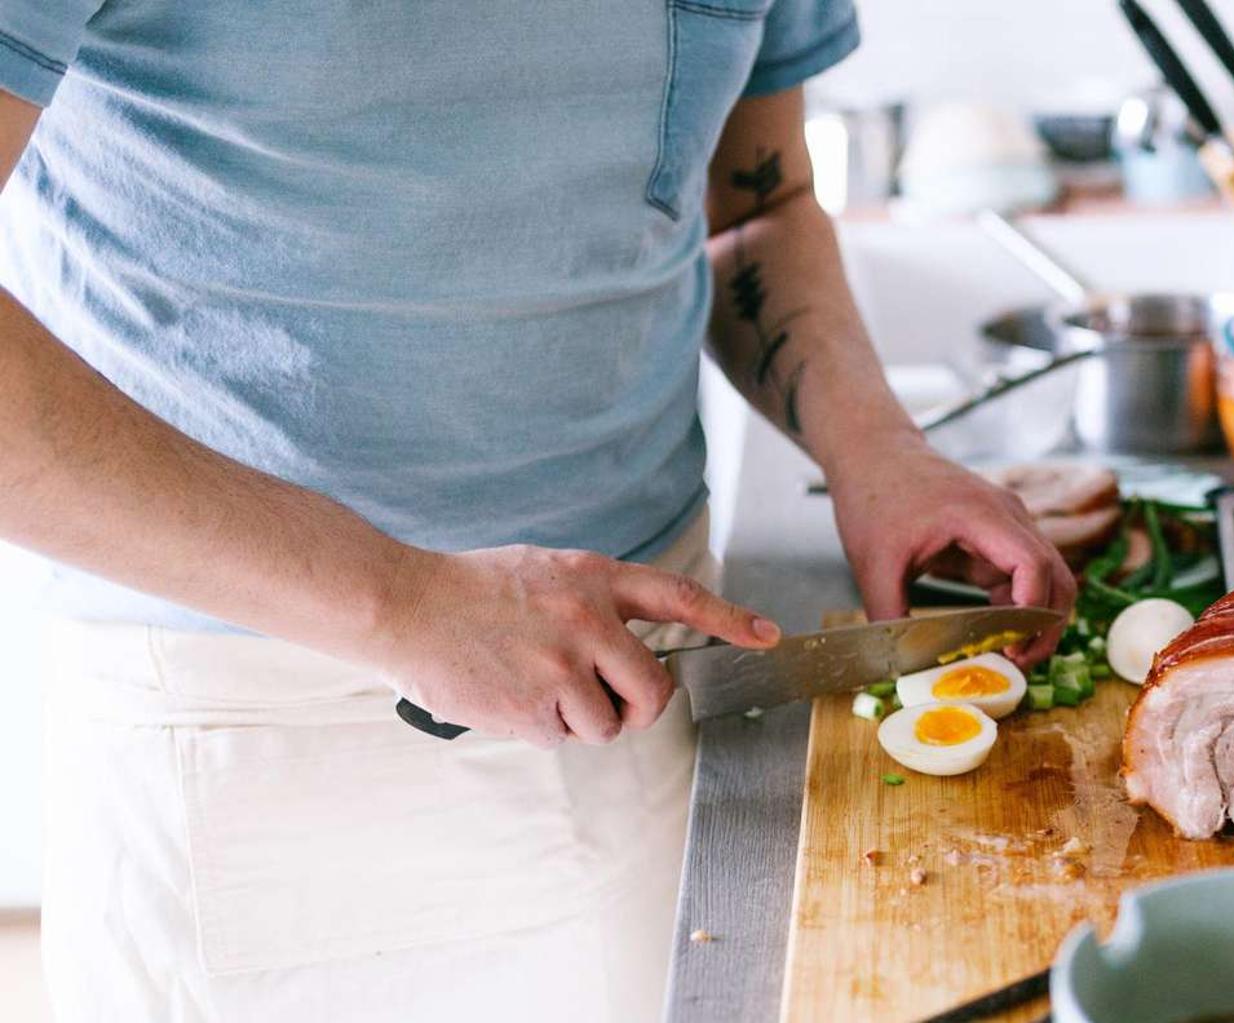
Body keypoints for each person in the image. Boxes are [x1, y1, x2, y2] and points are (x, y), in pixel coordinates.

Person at [0, 3, 1074, 1019]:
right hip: (265, 739)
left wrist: (877, 452)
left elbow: (752, 203)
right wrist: (402, 598)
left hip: (644, 687)